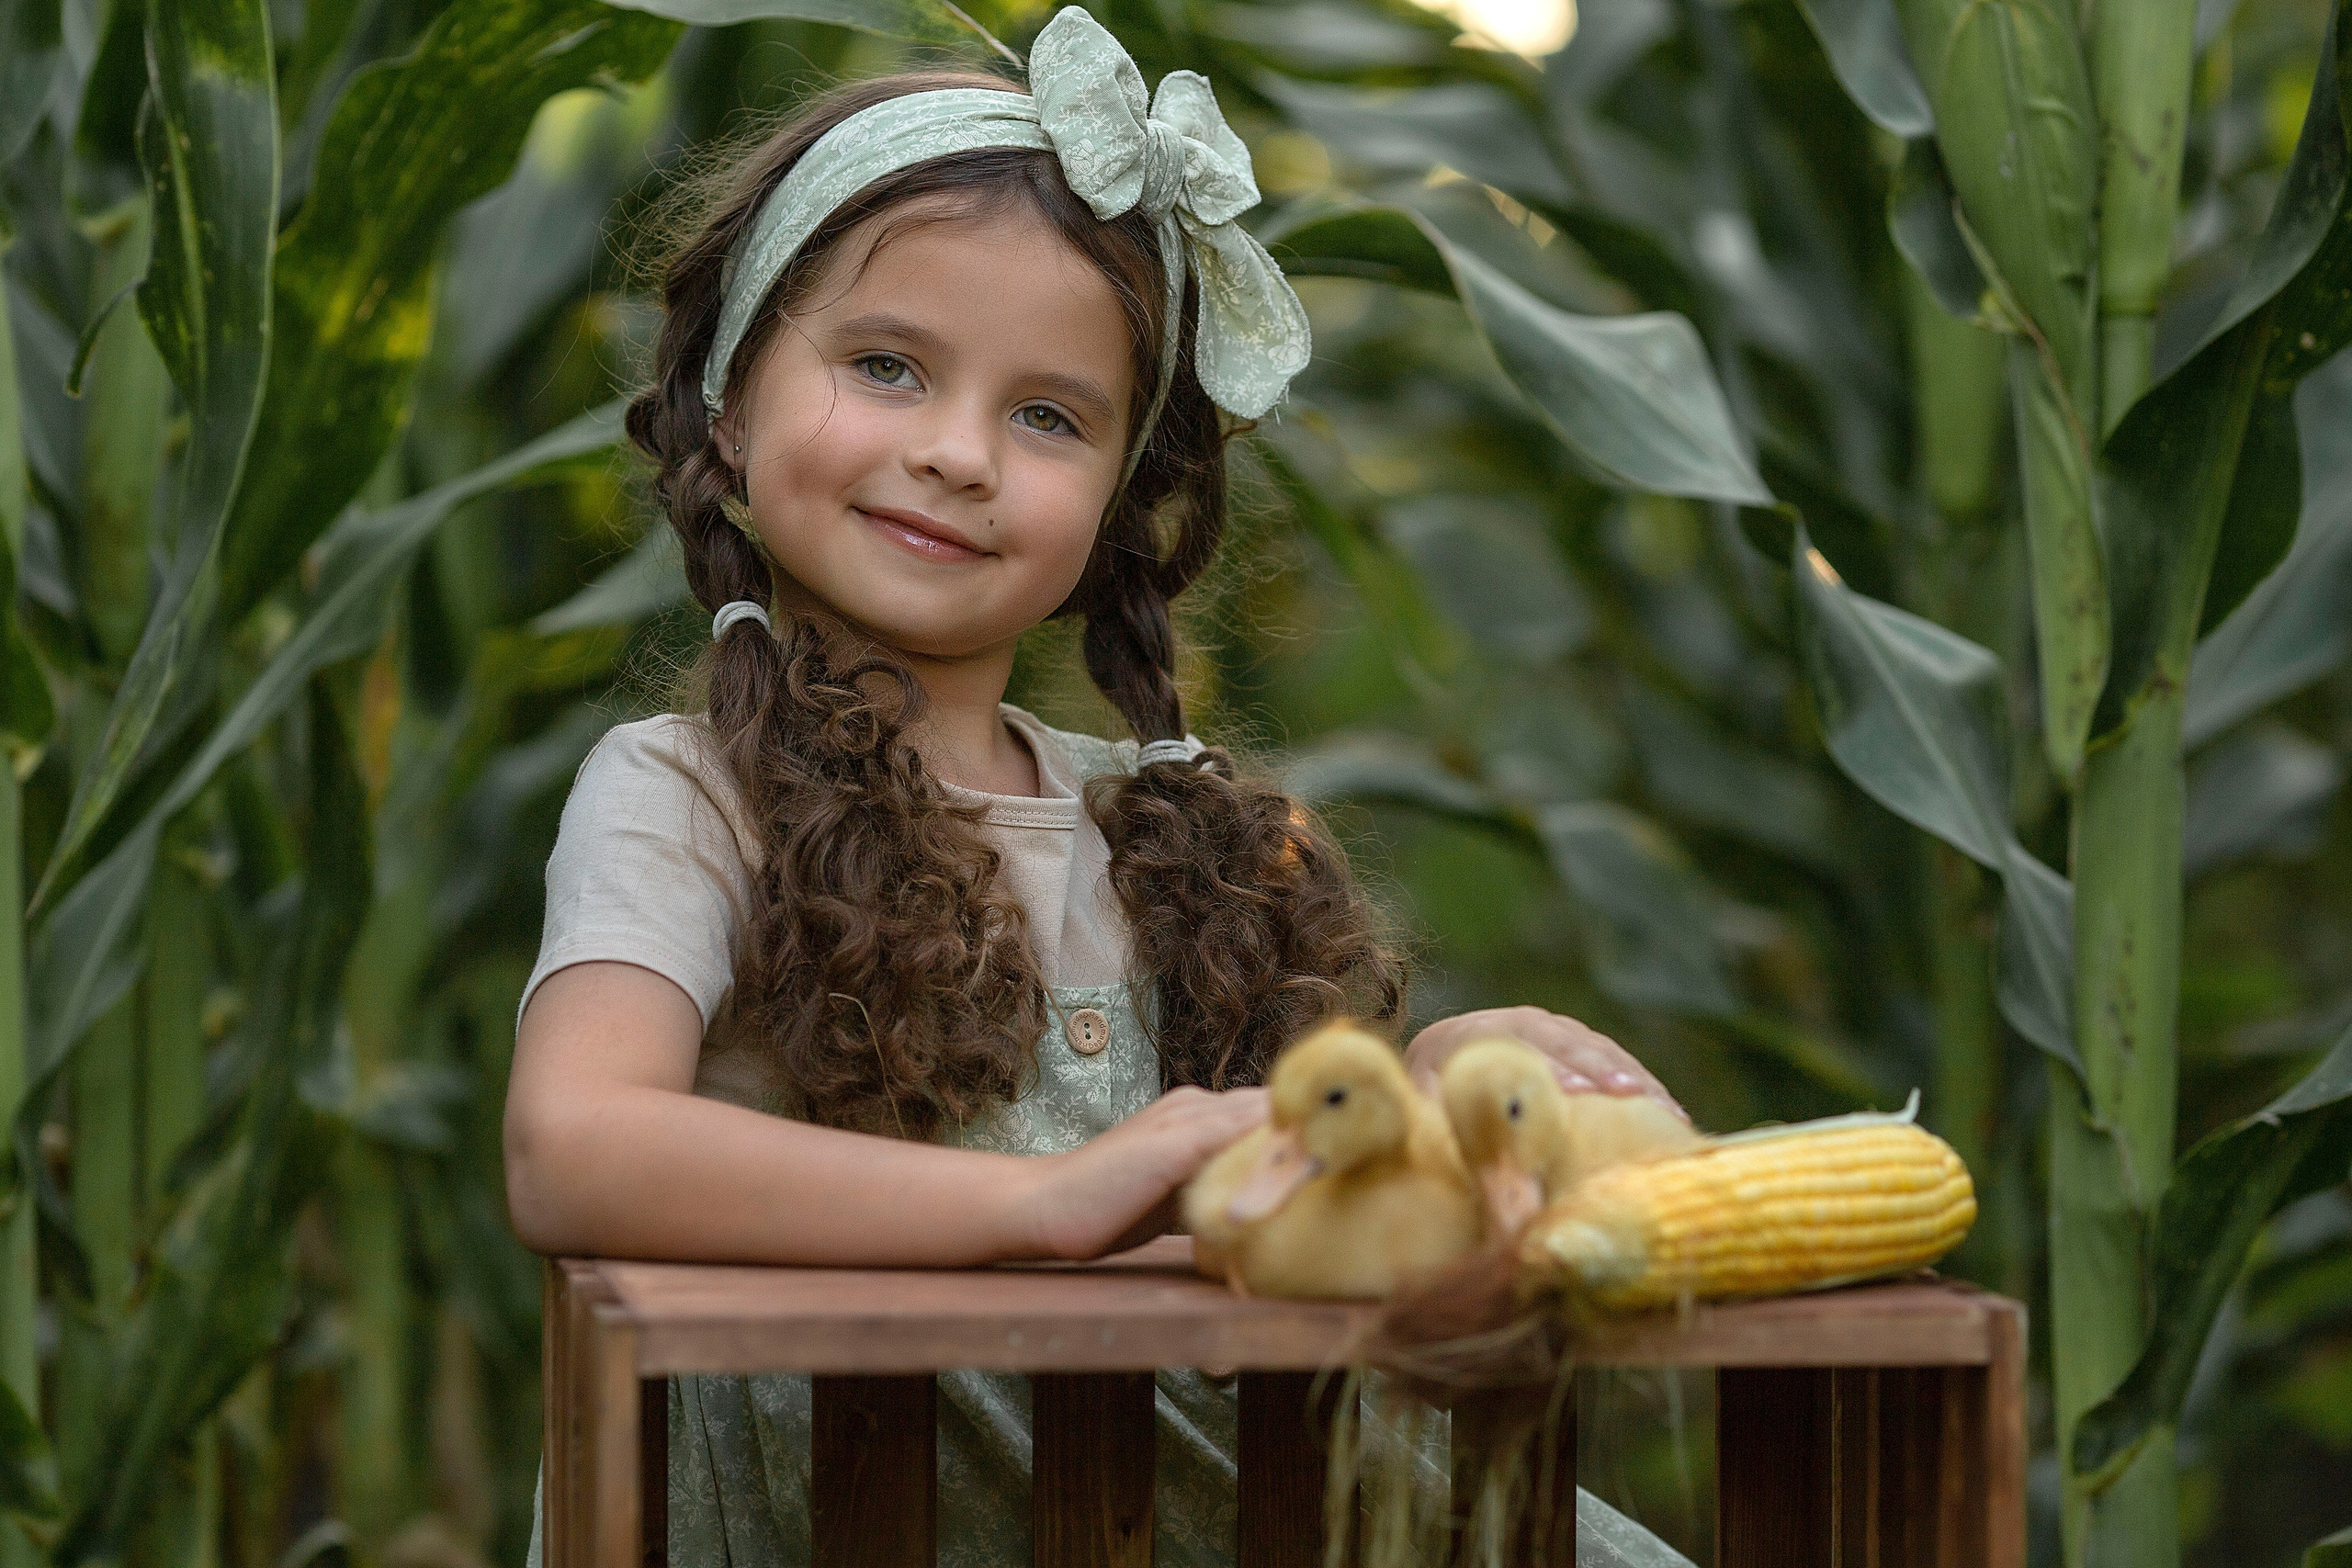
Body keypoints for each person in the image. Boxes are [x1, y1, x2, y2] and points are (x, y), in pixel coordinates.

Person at [503, 11, 1679, 1562]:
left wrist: (1466, 1102)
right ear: (729, 401)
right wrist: (1041, 1206)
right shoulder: (689, 800)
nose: (960, 453)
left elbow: (1299, 1204)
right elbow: (574, 1147)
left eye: (1047, 416)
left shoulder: (1167, 841)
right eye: (886, 366)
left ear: (1120, 501)